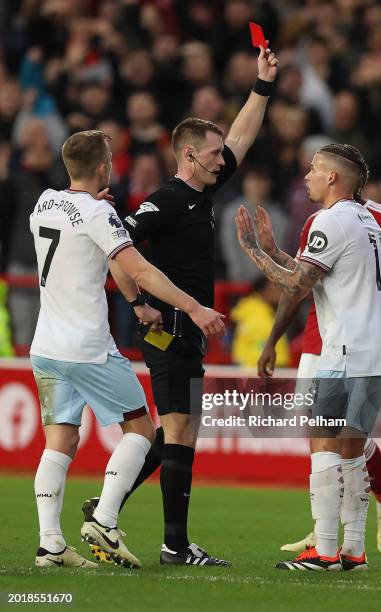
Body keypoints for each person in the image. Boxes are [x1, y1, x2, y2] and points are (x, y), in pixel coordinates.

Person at [83, 44, 279, 568]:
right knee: (181, 428)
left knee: (177, 429)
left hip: (184, 328)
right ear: (190, 155)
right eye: (214, 153)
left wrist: (261, 86)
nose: (224, 158)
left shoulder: (202, 195)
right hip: (169, 327)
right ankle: (171, 544)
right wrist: (136, 303)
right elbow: (115, 247)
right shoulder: (167, 200)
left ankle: (107, 507)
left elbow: (240, 136)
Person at [31, 130, 225, 569]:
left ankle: (50, 545)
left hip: (46, 345)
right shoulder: (99, 214)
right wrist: (194, 307)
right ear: (104, 167)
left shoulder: (43, 201)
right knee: (142, 431)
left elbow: (76, 222)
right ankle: (105, 520)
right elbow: (138, 268)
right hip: (88, 346)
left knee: (59, 441)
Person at [236, 143, 381, 571]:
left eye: (313, 169)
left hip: (344, 350)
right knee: (351, 449)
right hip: (377, 349)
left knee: (324, 443)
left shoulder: (329, 219)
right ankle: (354, 551)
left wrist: (252, 248)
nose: (306, 175)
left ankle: (325, 550)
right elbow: (321, 272)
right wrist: (274, 251)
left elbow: (298, 285)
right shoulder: (368, 220)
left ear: (332, 178)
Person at [256, 198, 381, 555]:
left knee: (342, 438)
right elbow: (300, 281)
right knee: (326, 438)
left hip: (356, 341)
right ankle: (332, 533)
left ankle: (379, 506)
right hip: (319, 341)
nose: (311, 175)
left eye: (318, 168)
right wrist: (273, 339)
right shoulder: (318, 218)